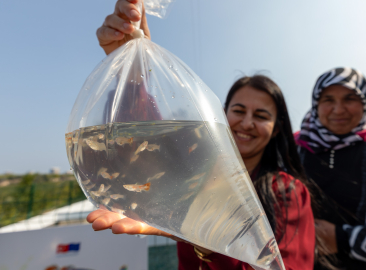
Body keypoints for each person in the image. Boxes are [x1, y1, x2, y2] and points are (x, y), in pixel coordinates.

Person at [87, 1, 316, 269]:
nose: (247, 122)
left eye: (262, 116)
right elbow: (141, 146)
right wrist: (133, 73)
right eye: (238, 111)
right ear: (220, 115)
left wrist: (210, 244)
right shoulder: (190, 176)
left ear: (277, 128)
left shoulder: (287, 192)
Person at [296, 67, 366, 270]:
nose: (338, 109)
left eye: (349, 99)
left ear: (364, 103)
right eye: (328, 99)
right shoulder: (293, 150)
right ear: (316, 104)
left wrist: (344, 239)